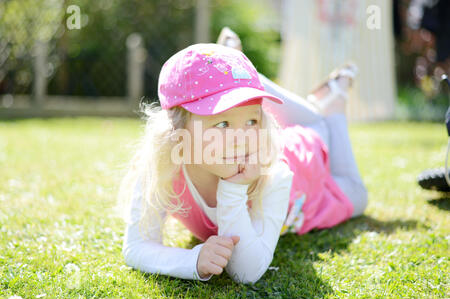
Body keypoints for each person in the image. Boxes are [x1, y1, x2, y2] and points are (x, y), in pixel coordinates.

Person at [117, 42, 368, 284]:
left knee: (354, 191)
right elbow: (137, 246)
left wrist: (235, 188)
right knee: (315, 124)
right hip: (277, 147)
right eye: (223, 124)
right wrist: (192, 260)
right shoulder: (162, 166)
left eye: (252, 121)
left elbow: (247, 271)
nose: (242, 140)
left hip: (303, 168)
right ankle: (239, 75)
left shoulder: (275, 173)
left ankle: (335, 104)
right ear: (177, 130)